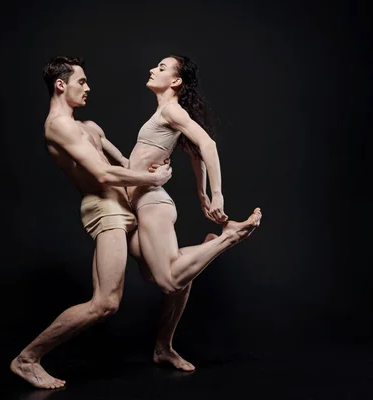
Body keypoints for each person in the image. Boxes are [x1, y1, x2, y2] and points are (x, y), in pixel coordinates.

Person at [10, 56, 173, 389]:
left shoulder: (91, 127)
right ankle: (27, 359)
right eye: (81, 81)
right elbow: (102, 174)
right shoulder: (57, 126)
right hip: (105, 209)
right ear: (61, 84)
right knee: (106, 303)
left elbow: (125, 164)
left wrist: (150, 171)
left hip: (125, 206)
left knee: (172, 275)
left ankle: (163, 348)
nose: (88, 88)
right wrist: (149, 179)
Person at [111, 55, 263, 371]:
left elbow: (207, 145)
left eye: (162, 68)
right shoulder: (168, 114)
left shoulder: (170, 109)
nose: (153, 69)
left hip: (152, 202)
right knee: (161, 275)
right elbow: (194, 153)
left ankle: (229, 237)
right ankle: (163, 348)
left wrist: (217, 194)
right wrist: (200, 193)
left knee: (168, 279)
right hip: (139, 204)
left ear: (176, 81)